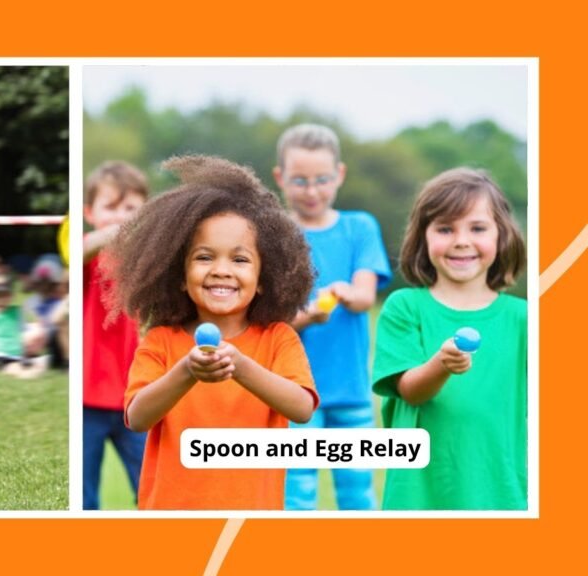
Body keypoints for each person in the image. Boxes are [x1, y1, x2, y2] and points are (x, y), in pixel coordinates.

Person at [105, 155, 318, 510]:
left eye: (240, 260)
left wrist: (241, 366)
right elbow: (138, 417)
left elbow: (301, 408)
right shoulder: (161, 340)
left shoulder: (278, 338)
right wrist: (186, 371)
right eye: (204, 257)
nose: (221, 270)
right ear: (179, 276)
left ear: (265, 280)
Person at [373, 168, 527, 510]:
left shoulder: (525, 319)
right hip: (419, 496)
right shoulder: (405, 308)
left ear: (502, 236)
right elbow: (410, 391)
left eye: (477, 228)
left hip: (503, 493)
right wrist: (442, 364)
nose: (461, 240)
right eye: (445, 228)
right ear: (423, 237)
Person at [272, 123, 392, 510]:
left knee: (358, 493)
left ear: (339, 175)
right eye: (300, 181)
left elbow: (363, 297)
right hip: (293, 393)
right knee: (296, 495)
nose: (312, 191)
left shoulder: (360, 227)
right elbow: (269, 318)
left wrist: (343, 293)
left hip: (352, 391)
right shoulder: (274, 235)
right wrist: (306, 316)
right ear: (280, 178)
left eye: (322, 179)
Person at [81, 160, 149, 510]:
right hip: (85, 402)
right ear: (89, 212)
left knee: (152, 492)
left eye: (130, 209)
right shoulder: (85, 256)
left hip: (137, 399)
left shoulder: (150, 261)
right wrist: (114, 232)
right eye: (111, 207)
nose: (121, 216)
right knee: (83, 498)